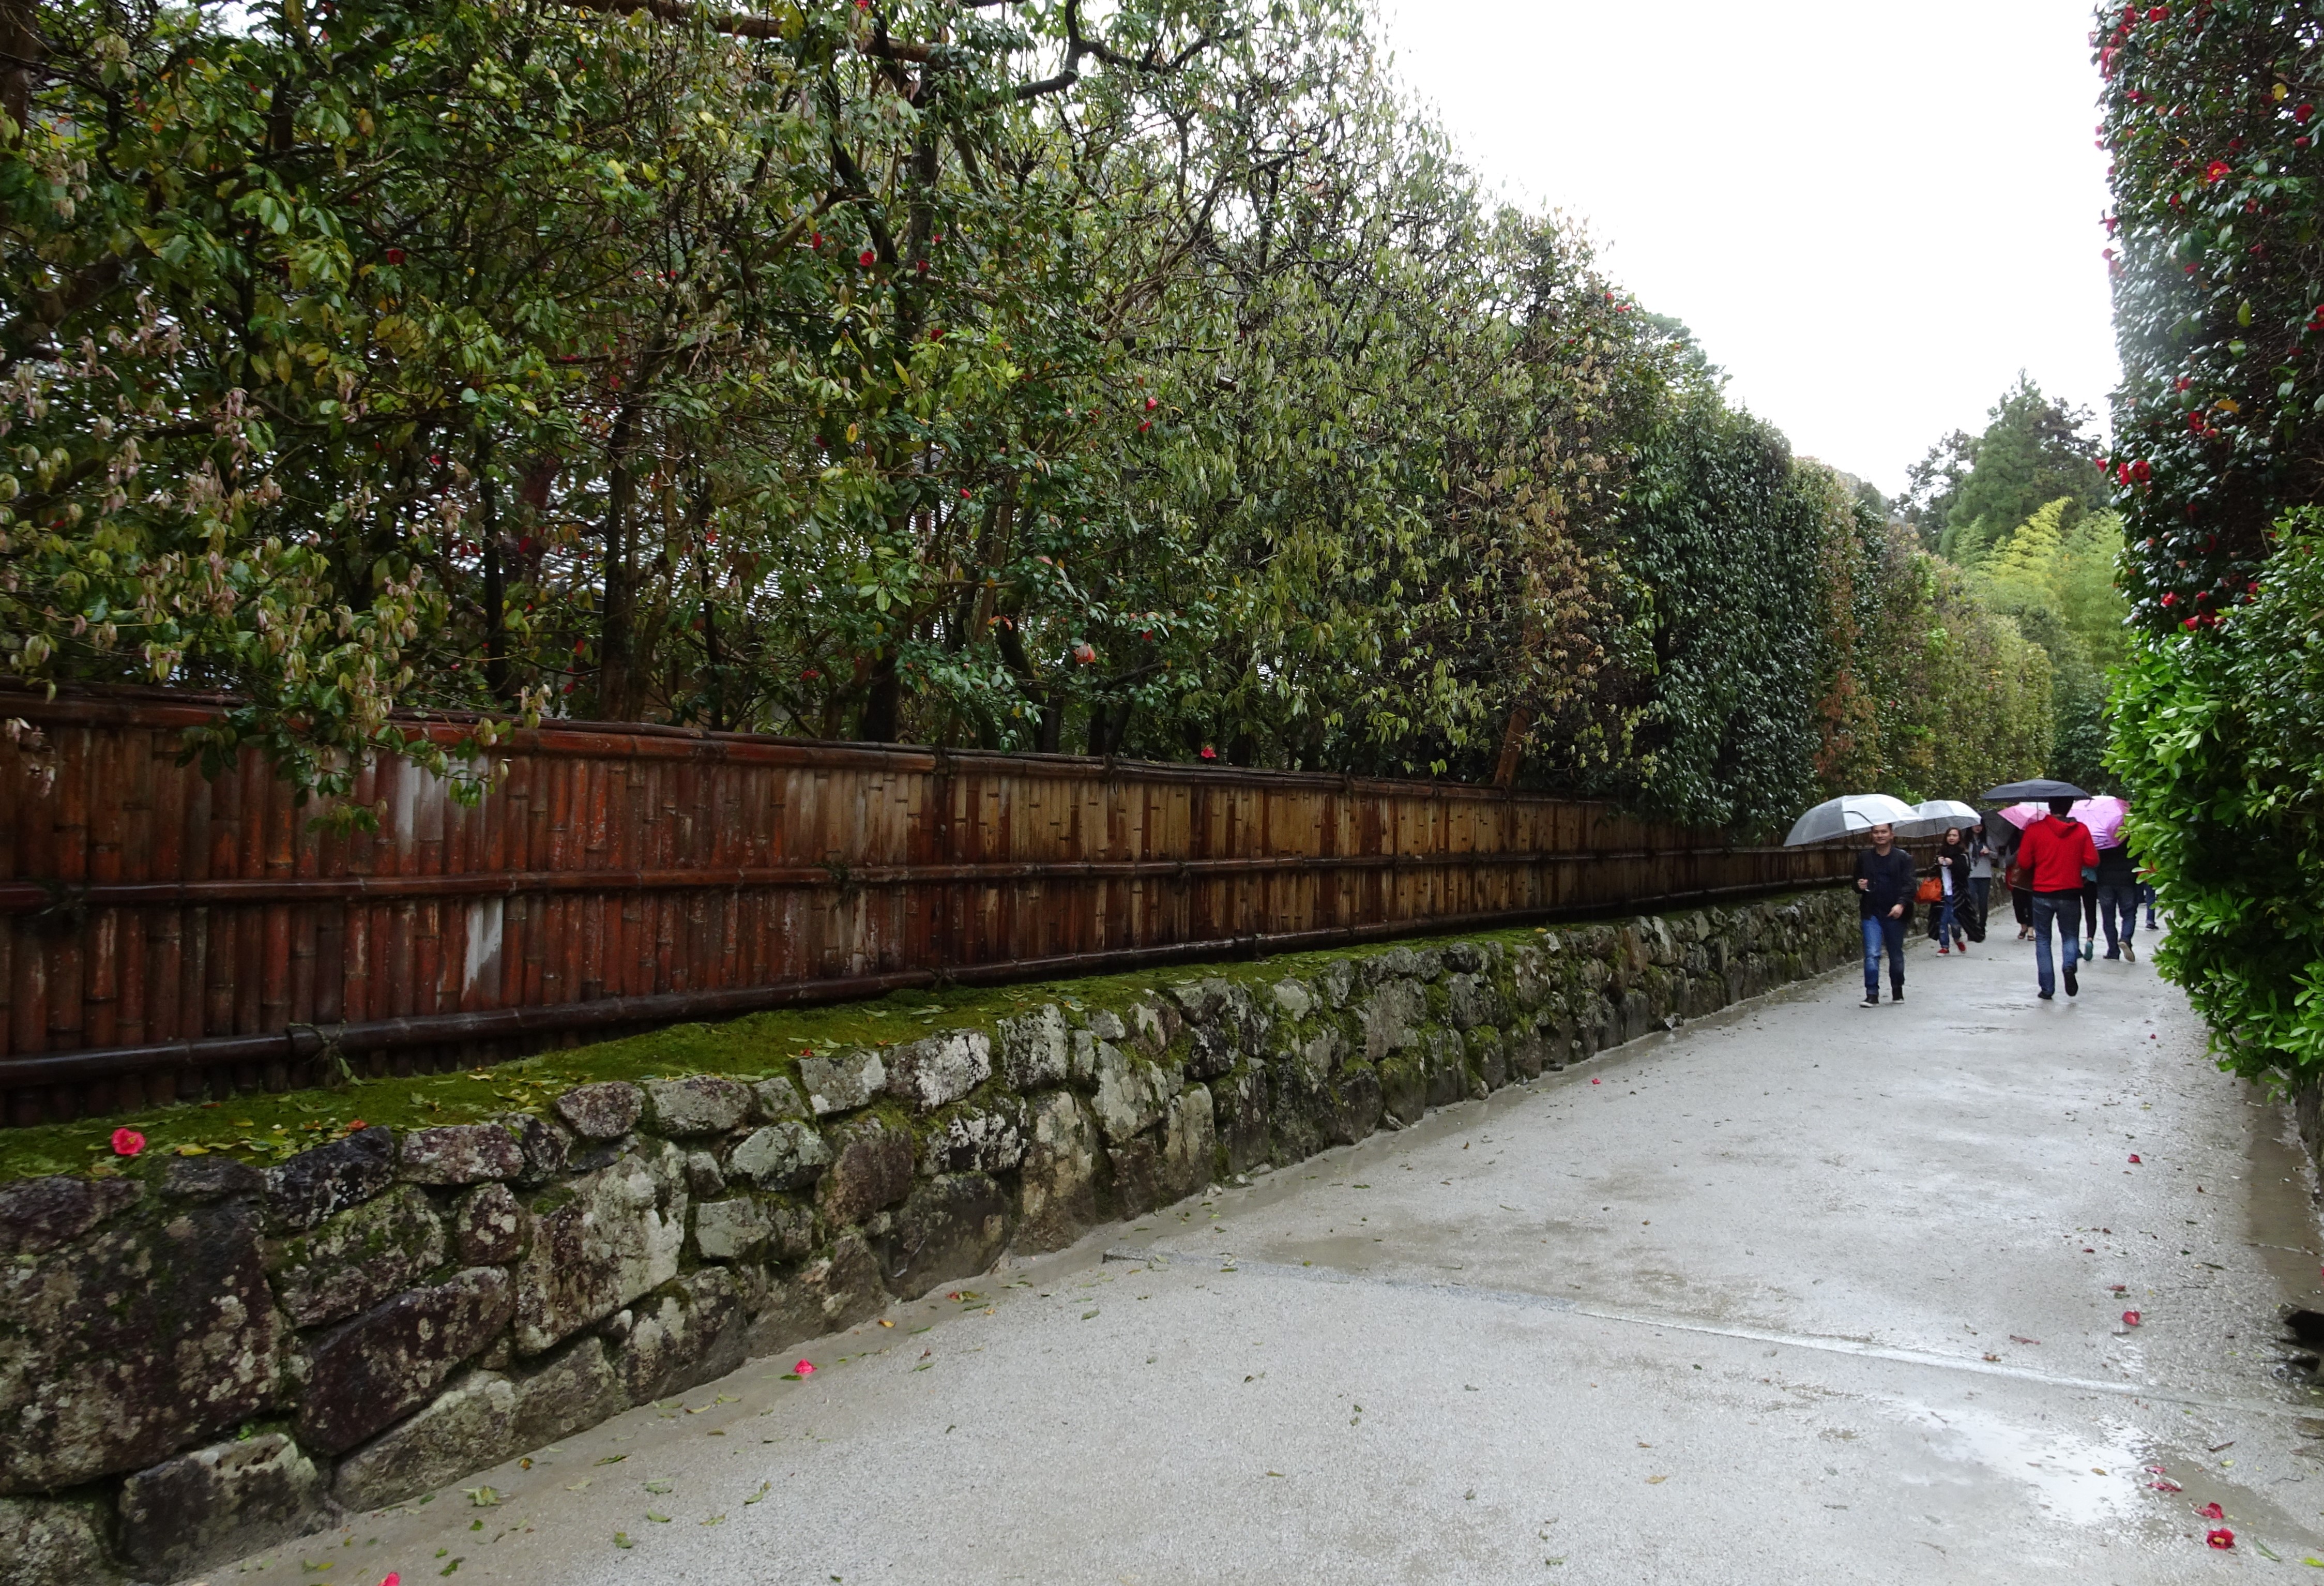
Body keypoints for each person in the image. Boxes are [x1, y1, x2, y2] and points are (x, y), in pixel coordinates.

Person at [2015, 797, 2101, 1000]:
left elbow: (2024, 862)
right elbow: (2092, 860)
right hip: (2070, 892)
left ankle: (2047, 989)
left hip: (2042, 892)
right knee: (2070, 936)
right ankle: (2069, 966)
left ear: (2050, 807)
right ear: (2069, 807)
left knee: (2043, 940)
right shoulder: (2081, 830)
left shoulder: (2034, 830)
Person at [1854, 821, 1917, 1005]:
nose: (1880, 836)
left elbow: (1910, 885)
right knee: (1872, 953)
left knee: (1895, 953)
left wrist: (1901, 905)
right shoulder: (1864, 858)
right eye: (1876, 832)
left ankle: (1897, 988)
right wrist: (1859, 886)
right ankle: (1872, 993)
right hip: (1871, 912)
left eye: (1883, 832)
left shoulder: (1903, 858)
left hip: (1895, 912)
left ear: (1891, 834)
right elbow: (1855, 883)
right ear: (1871, 835)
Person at [1928, 827, 1973, 954]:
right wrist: (1938, 864)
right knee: (1942, 920)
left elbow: (1966, 872)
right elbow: (1931, 872)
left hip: (1957, 894)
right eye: (1949, 835)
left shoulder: (1963, 854)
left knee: (1955, 920)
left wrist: (1953, 863)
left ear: (1959, 838)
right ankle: (1945, 946)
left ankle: (1957, 938)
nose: (1952, 838)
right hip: (1941, 893)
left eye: (1955, 835)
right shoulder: (1940, 853)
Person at [2095, 838, 2140, 962]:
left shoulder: (2103, 836)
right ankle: (2126, 939)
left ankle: (2113, 951)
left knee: (2108, 917)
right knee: (2129, 913)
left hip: (2105, 880)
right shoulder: (2131, 837)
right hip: (2127, 880)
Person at [1964, 823, 1994, 942]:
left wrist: (1989, 852)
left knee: (1983, 903)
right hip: (1971, 875)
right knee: (1972, 901)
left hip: (1985, 875)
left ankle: (1982, 927)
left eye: (1980, 825)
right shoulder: (1966, 841)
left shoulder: (1987, 840)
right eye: (1975, 825)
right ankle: (1972, 929)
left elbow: (1997, 855)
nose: (1978, 827)